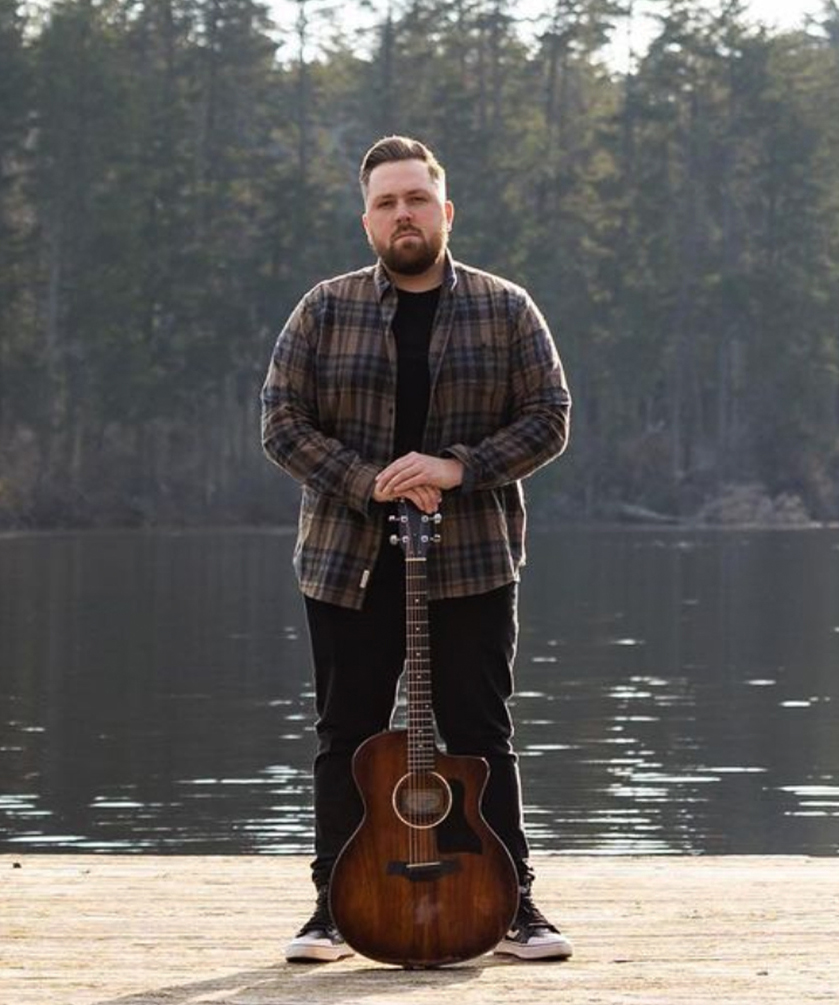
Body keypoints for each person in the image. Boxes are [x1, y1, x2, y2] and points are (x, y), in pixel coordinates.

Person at [260, 135, 572, 963]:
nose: (404, 214)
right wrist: (373, 480)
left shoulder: (507, 308)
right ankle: (331, 906)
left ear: (445, 210)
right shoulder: (321, 309)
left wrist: (454, 466)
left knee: (479, 733)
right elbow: (281, 425)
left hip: (471, 556)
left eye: (417, 199)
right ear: (366, 219)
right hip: (347, 560)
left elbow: (548, 418)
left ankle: (515, 906)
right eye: (387, 202)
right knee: (347, 735)